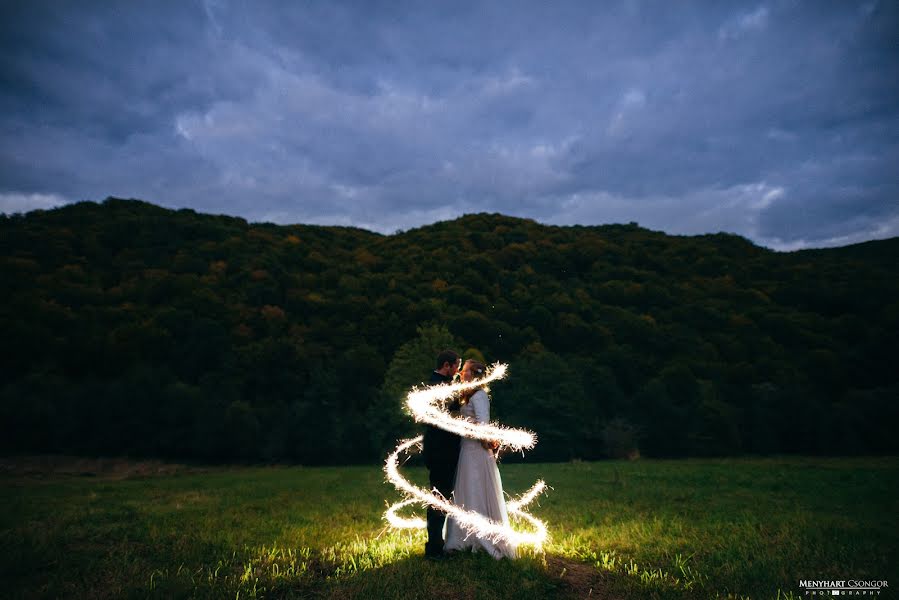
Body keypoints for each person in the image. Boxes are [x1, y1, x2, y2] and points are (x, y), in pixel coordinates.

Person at [444, 359, 518, 559]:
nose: (460, 372)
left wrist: (471, 432)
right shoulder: (467, 396)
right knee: (465, 492)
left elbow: (483, 425)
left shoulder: (480, 396)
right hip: (466, 450)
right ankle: (461, 539)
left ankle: (481, 538)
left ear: (473, 375)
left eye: (465, 370)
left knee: (475, 491)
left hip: (476, 452)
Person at [422, 349, 462, 559]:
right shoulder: (437, 386)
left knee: (441, 496)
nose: (458, 371)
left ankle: (438, 545)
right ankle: (434, 549)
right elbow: (445, 419)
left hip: (443, 450)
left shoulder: (441, 383)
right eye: (456, 366)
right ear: (447, 366)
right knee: (439, 497)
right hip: (441, 452)